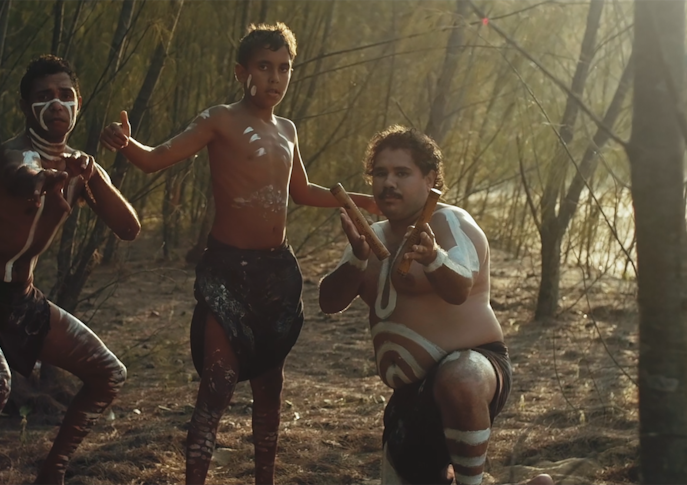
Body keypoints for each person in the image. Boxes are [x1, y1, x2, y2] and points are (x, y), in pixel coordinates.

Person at [101, 22, 378, 485]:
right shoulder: (220, 120)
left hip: (277, 272)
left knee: (270, 388)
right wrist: (126, 143)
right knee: (217, 386)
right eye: (264, 67)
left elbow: (303, 192)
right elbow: (156, 158)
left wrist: (358, 200)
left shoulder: (288, 129)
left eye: (284, 69)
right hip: (227, 270)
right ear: (240, 72)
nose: (275, 78)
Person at [0, 55, 141, 485]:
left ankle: (53, 472)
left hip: (20, 301)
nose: (57, 104)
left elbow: (128, 227)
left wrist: (96, 172)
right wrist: (45, 179)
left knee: (109, 375)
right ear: (26, 107)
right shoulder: (15, 154)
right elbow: (21, 175)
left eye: (66, 95)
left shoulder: (79, 166)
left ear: (79, 102)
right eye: (44, 97)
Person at [318, 126, 553, 485]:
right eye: (380, 173)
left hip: (476, 369)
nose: (388, 183)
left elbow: (460, 286)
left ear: (429, 179)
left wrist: (432, 257)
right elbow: (329, 301)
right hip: (409, 396)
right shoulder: (372, 236)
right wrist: (357, 261)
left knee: (458, 375)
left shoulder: (450, 223)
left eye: (402, 173)